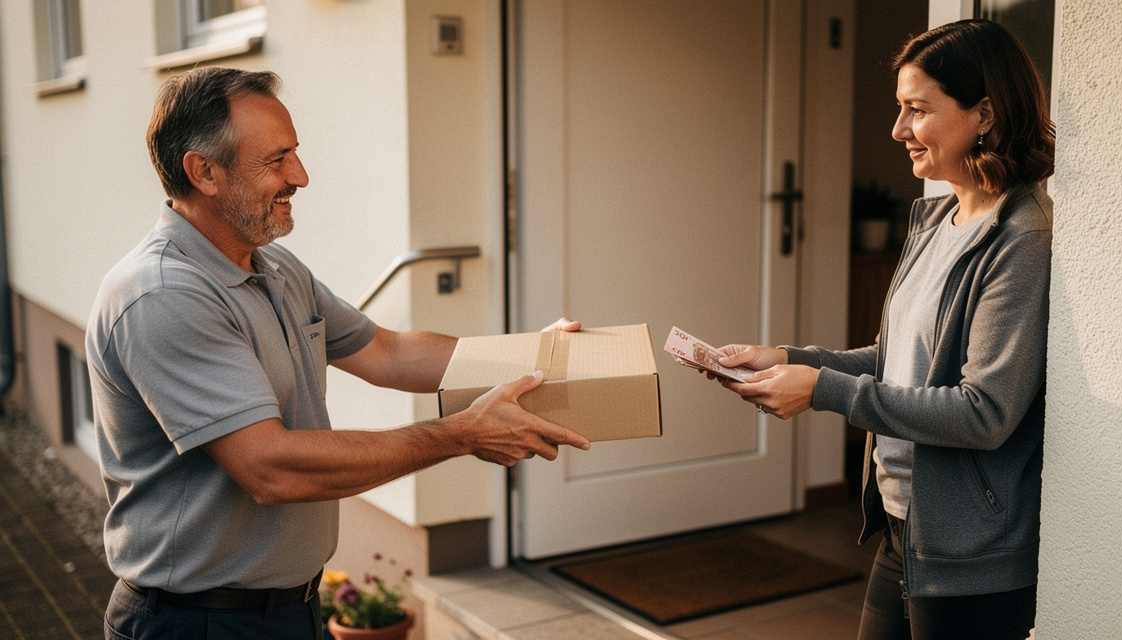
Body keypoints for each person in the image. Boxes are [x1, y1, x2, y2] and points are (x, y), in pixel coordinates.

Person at [85, 67, 591, 640]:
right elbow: (270, 469)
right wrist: (460, 435)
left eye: (295, 153)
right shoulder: (163, 296)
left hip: (292, 611)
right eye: (276, 160)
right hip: (198, 624)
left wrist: (534, 357)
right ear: (204, 172)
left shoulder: (275, 267)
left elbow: (388, 351)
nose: (300, 176)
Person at [709, 20, 1053, 640]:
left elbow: (985, 412)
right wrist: (787, 358)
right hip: (906, 527)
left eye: (917, 110)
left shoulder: (1020, 239)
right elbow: (899, 360)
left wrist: (822, 390)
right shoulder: (937, 220)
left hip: (969, 551)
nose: (898, 129)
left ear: (985, 114)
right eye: (901, 108)